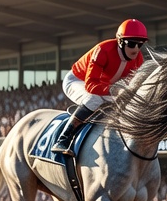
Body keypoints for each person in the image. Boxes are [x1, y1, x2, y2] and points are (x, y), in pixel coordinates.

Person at [54, 19, 148, 156]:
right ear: (120, 41)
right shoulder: (103, 50)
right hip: (77, 80)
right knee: (94, 99)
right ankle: (63, 139)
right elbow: (91, 85)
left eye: (140, 44)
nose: (136, 49)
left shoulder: (138, 59)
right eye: (132, 43)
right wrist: (114, 90)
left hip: (104, 85)